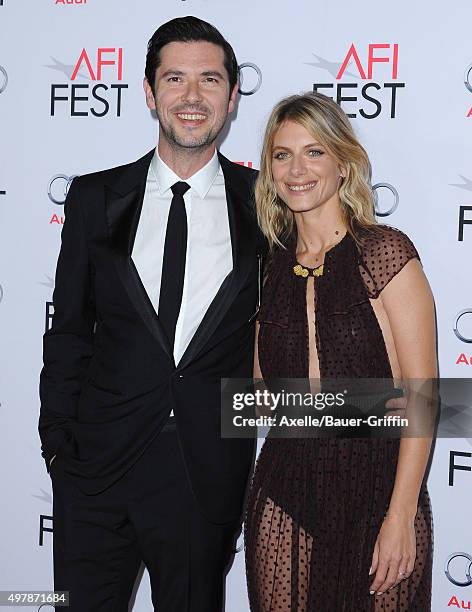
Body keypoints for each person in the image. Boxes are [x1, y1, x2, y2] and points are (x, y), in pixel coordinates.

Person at [39, 16, 264, 611]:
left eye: (210, 79)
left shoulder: (267, 205)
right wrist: (59, 448)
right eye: (175, 79)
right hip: (95, 471)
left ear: (233, 95)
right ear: (147, 91)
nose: (192, 97)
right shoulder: (94, 198)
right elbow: (67, 334)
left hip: (202, 471)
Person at [244, 92, 436, 611]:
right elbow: (261, 399)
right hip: (286, 493)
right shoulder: (268, 269)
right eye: (282, 155)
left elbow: (422, 399)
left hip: (380, 491)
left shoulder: (385, 253)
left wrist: (399, 517)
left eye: (314, 152)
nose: (297, 169)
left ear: (343, 164)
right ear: (269, 170)